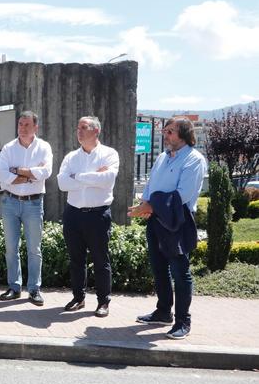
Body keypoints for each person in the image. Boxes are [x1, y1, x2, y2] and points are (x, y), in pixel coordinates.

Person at [128, 117, 207, 340]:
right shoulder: (163, 157)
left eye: (170, 131)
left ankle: (183, 321)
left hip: (178, 221)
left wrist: (152, 205)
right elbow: (152, 185)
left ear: (183, 134)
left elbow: (183, 195)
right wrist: (143, 204)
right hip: (155, 219)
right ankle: (163, 312)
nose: (166, 135)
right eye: (165, 131)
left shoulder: (194, 159)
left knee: (180, 273)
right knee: (159, 268)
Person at [56, 116, 120, 317]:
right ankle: (78, 297)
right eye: (78, 128)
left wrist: (77, 176)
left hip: (98, 215)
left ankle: (103, 302)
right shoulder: (71, 157)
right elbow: (62, 184)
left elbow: (107, 179)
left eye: (83, 128)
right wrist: (93, 176)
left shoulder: (109, 154)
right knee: (76, 259)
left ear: (96, 131)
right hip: (73, 213)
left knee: (101, 260)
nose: (79, 131)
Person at [0, 110, 53, 306]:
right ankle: (14, 287)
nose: (22, 128)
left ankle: (34, 289)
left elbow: (46, 172)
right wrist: (31, 174)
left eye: (27, 125)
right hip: (10, 202)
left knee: (34, 249)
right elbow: (2, 176)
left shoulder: (44, 147)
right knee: (11, 248)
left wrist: (17, 171)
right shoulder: (8, 148)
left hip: (34, 203)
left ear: (35, 127)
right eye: (20, 124)